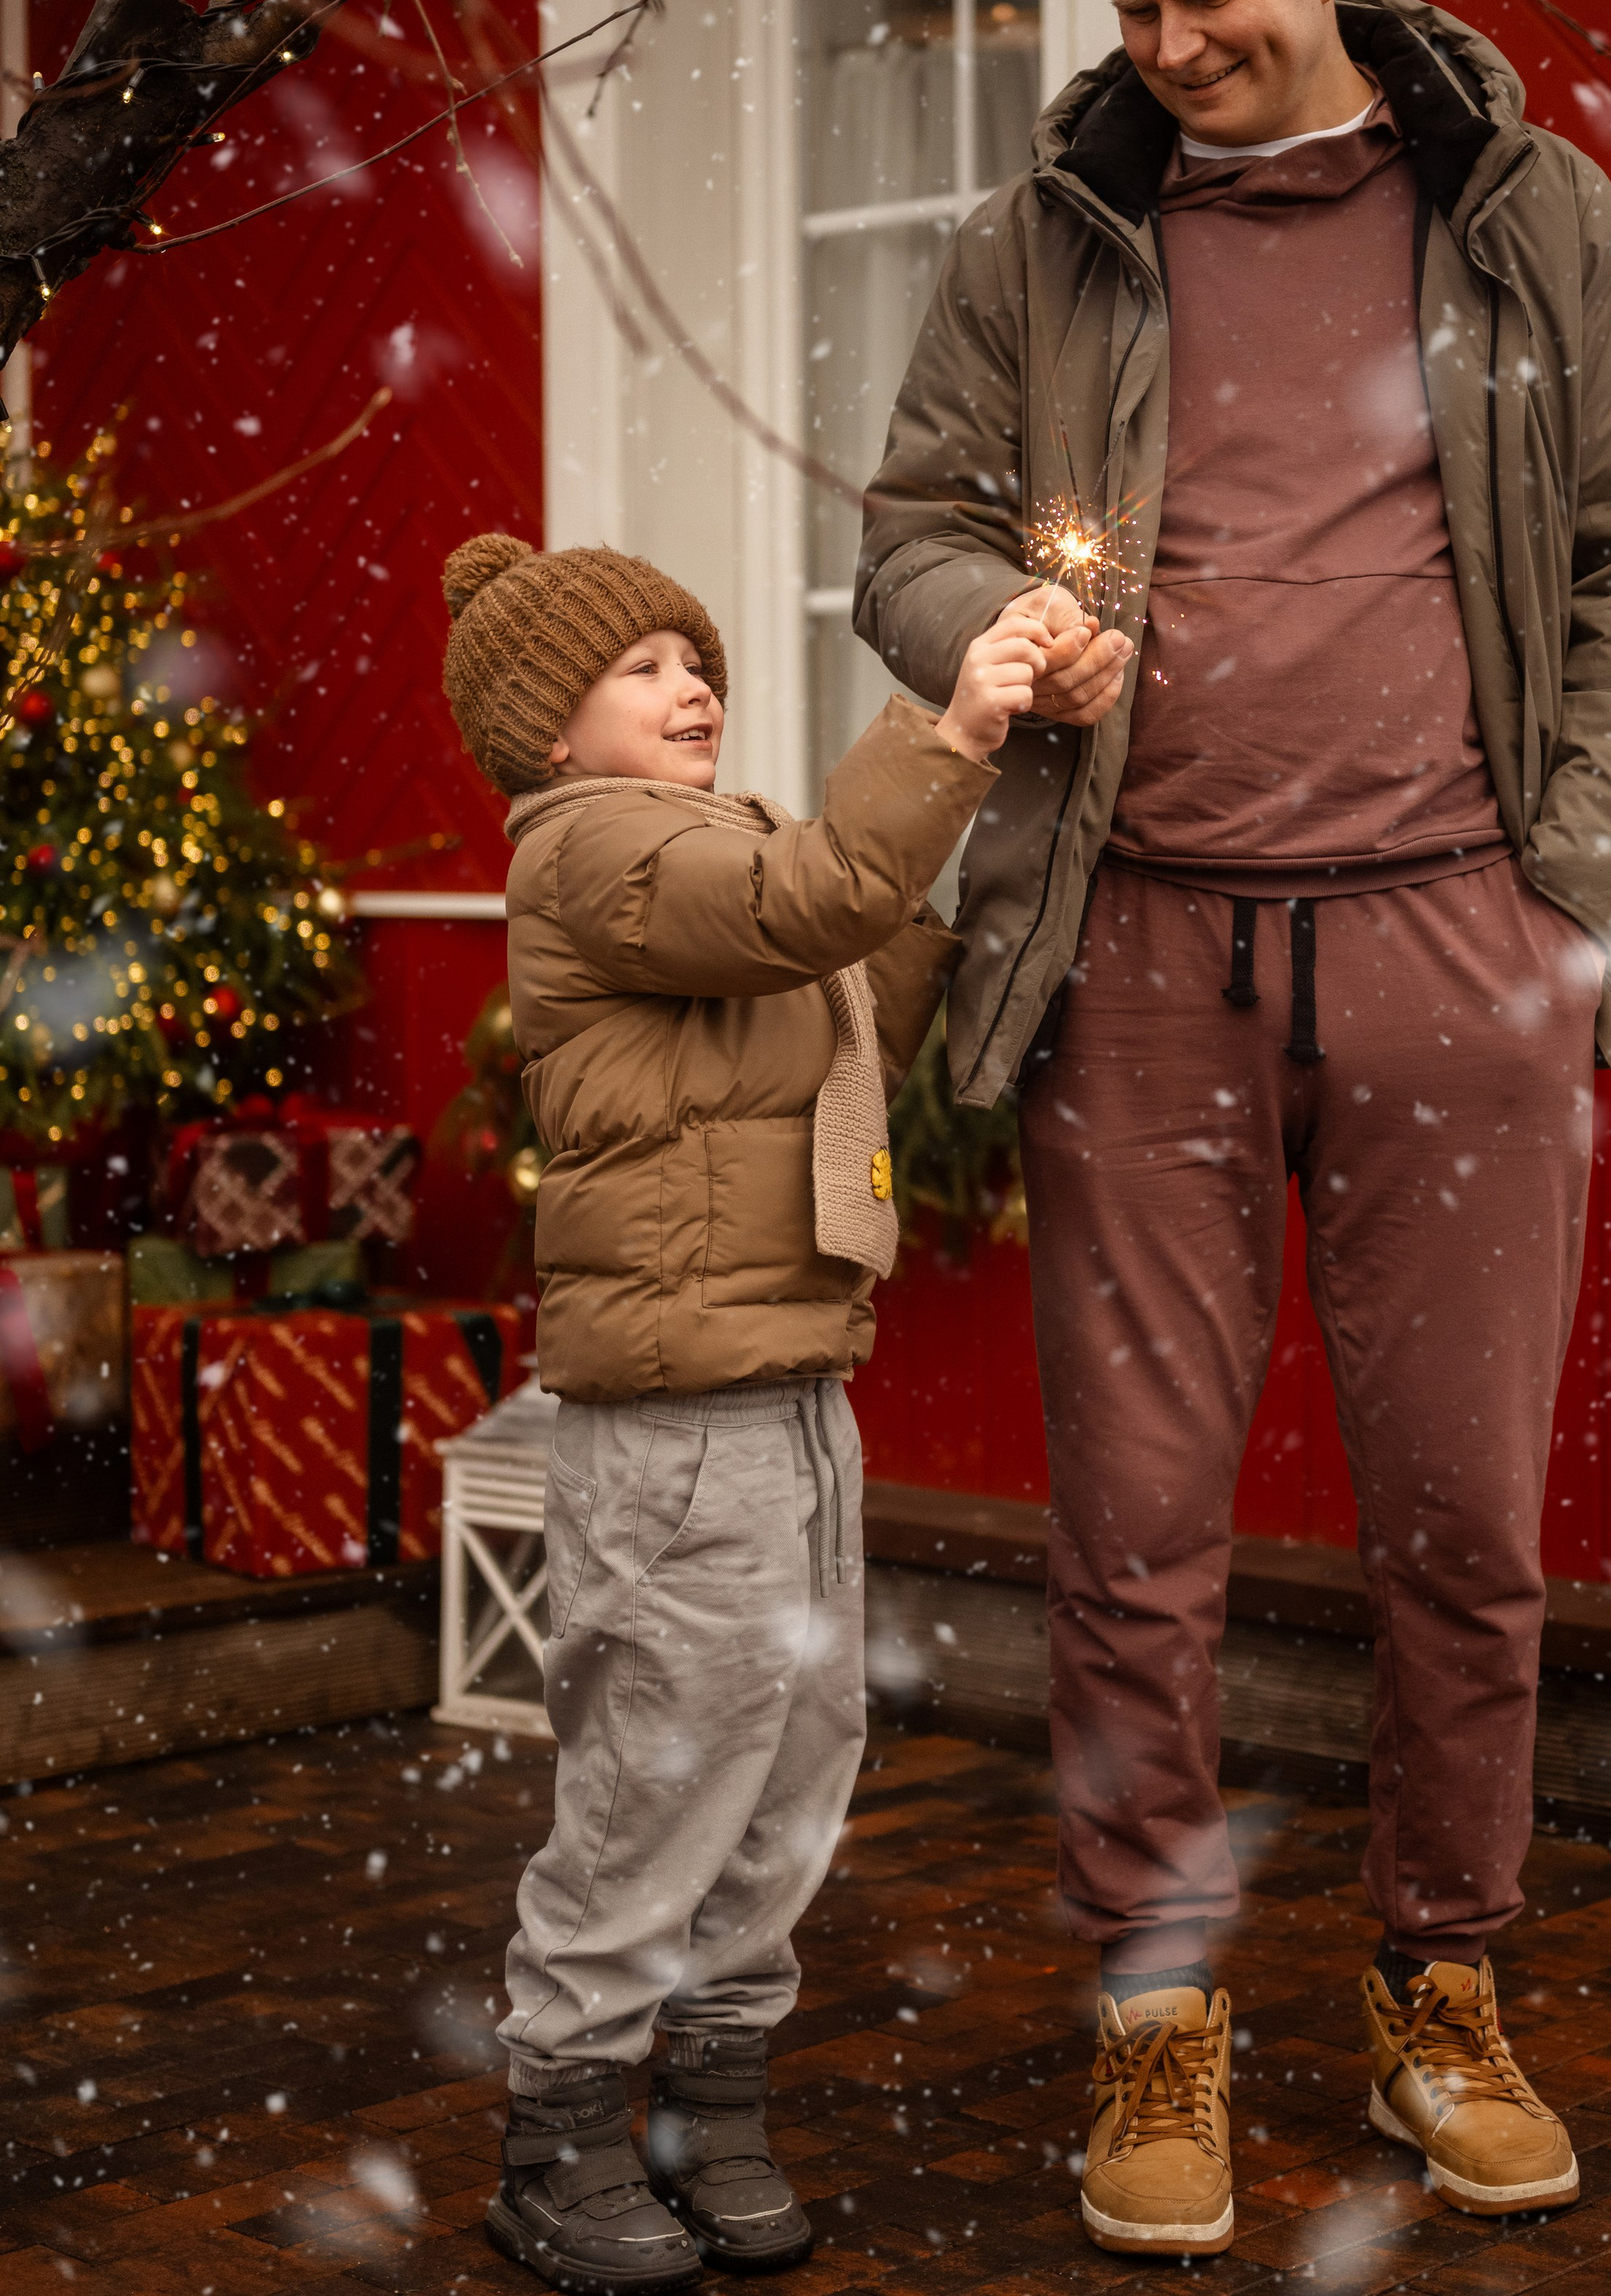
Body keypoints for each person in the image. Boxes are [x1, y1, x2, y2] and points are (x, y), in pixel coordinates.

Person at [856, 0, 1611, 2252]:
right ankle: (1159, 2011)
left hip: (1465, 945)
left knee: (1465, 1522)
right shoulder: (1055, 241)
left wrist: (1575, 895)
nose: (1174, 45)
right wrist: (985, 641)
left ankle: (1445, 1982)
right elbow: (909, 532)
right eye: (1135, 9)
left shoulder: (1526, 215)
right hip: (1136, 952)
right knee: (1134, 1537)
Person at [441, 532, 1045, 2295]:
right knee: (657, 1775)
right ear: (548, 731)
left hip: (788, 1393)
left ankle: (710, 2103)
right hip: (677, 1423)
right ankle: (555, 2142)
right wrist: (953, 724)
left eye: (691, 656)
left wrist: (989, 857)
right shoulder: (599, 852)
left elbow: (849, 986)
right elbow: (808, 906)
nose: (688, 683)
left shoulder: (718, 853)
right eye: (638, 668)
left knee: (790, 1763)